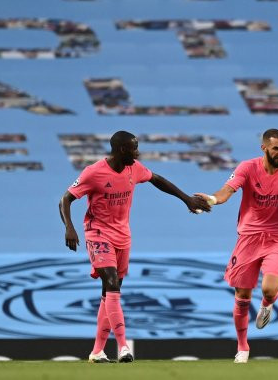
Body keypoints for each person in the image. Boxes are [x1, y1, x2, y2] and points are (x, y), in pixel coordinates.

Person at [59, 130, 210, 364]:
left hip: (123, 235)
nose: (137, 152)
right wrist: (69, 227)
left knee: (109, 292)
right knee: (110, 283)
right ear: (121, 150)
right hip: (97, 232)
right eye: (134, 148)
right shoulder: (94, 172)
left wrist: (186, 199)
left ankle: (97, 351)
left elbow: (157, 180)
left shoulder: (134, 169)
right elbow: (65, 199)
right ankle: (123, 347)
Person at [195, 128, 278, 364]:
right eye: (276, 148)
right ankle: (243, 347)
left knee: (269, 289)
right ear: (264, 148)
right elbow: (227, 191)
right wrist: (212, 199)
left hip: (277, 239)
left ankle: (267, 305)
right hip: (248, 239)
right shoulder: (247, 168)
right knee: (242, 295)